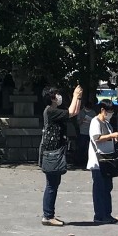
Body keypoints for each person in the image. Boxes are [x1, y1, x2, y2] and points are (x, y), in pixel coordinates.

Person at [39, 84, 83, 226]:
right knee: (51, 185)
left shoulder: (55, 111)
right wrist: (75, 95)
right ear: (51, 97)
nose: (59, 96)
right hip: (52, 152)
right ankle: (47, 216)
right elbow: (70, 112)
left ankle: (49, 215)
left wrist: (79, 97)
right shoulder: (50, 111)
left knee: (54, 184)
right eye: (56, 94)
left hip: (55, 152)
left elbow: (74, 112)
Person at [88, 98, 118, 224]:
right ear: (102, 110)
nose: (110, 114)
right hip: (98, 161)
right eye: (108, 111)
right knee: (99, 188)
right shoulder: (95, 122)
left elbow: (109, 138)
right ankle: (99, 215)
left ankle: (107, 213)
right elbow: (97, 138)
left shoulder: (108, 124)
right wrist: (112, 136)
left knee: (107, 187)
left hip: (108, 159)